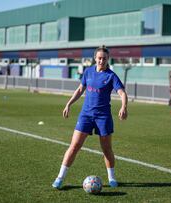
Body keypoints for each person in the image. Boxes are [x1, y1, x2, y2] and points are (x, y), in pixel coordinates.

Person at [52, 45, 128, 189]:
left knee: (106, 149)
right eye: (99, 58)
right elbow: (80, 89)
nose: (101, 61)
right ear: (95, 58)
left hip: (103, 117)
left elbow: (122, 93)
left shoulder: (111, 76)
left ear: (107, 59)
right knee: (74, 146)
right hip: (86, 115)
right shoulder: (88, 72)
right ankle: (60, 177)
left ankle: (111, 178)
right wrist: (69, 104)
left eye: (104, 58)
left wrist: (124, 106)